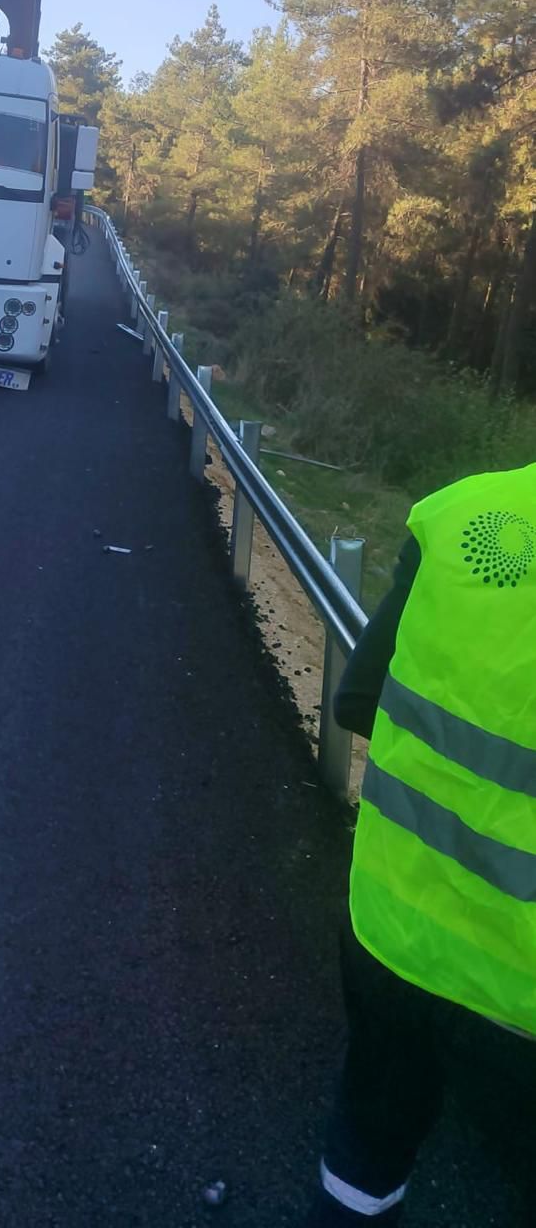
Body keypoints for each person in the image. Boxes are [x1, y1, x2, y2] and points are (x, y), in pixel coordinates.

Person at [307, 466, 536, 1225]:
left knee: (368, 1150)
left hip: (391, 931)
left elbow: (356, 700)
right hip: (517, 997)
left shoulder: (462, 512)